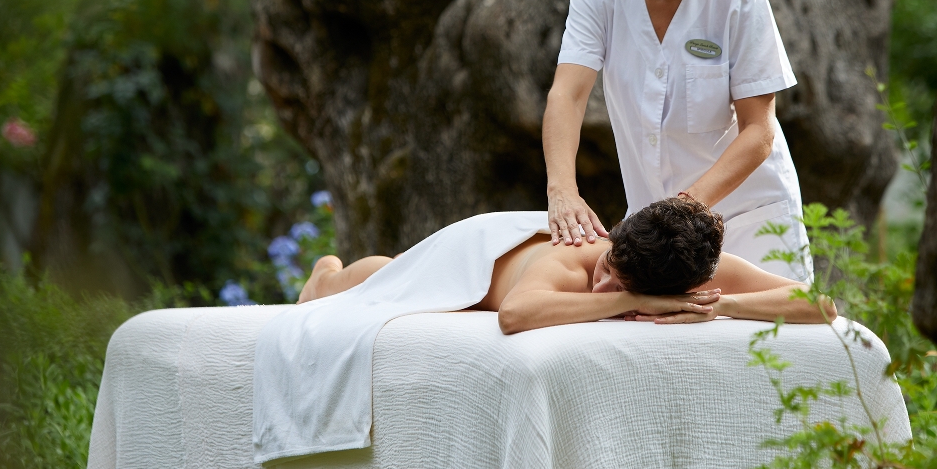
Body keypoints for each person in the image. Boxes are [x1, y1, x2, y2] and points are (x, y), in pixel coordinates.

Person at [543, 0, 810, 280]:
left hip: (751, 222)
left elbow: (759, 133)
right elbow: (567, 94)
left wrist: (681, 210)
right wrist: (562, 189)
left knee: (761, 348)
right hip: (662, 235)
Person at [297, 197, 832, 334]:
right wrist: (632, 299)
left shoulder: (695, 269)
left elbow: (822, 305)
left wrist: (717, 307)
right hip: (475, 253)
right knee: (382, 278)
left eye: (617, 283)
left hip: (509, 251)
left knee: (390, 270)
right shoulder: (577, 260)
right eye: (609, 268)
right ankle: (326, 273)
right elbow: (514, 314)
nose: (601, 281)